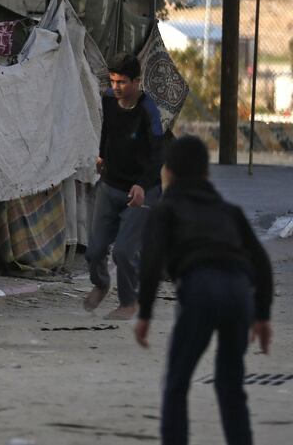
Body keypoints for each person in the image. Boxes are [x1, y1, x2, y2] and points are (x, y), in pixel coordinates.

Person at [134, 136, 273, 445]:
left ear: (167, 173)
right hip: (239, 293)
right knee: (230, 385)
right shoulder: (229, 210)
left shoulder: (165, 209)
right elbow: (261, 263)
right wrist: (262, 316)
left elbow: (152, 260)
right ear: (206, 175)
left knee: (177, 383)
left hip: (200, 289)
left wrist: (144, 313)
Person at [83, 53, 164, 320]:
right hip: (110, 185)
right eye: (113, 81)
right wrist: (101, 155)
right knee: (94, 249)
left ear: (137, 82)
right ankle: (101, 283)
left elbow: (157, 154)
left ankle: (129, 303)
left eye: (122, 82)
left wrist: (142, 185)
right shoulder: (108, 99)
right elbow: (108, 129)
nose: (116, 87)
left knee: (124, 252)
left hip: (141, 192)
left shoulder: (148, 110)